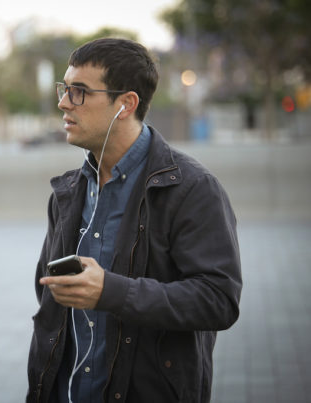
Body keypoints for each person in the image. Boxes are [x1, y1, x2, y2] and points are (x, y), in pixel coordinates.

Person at [26, 38, 242, 403]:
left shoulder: (192, 188)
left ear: (125, 104)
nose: (63, 102)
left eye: (79, 92)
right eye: (65, 89)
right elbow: (48, 299)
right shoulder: (66, 191)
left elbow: (218, 299)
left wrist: (111, 291)